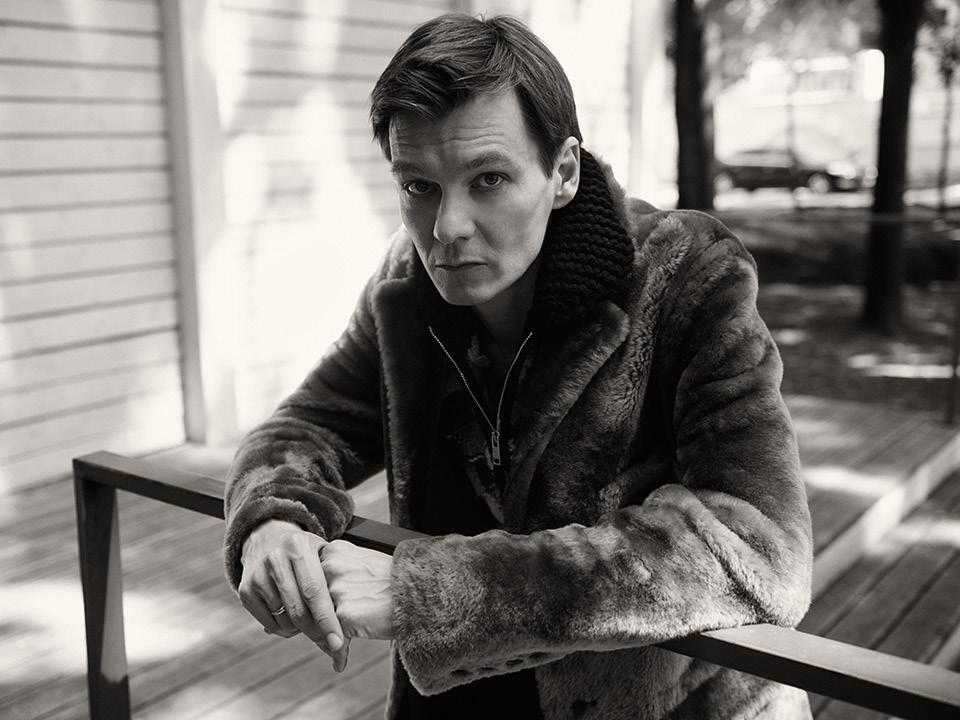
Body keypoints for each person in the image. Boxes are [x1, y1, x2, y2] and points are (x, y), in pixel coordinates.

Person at [223, 13, 813, 720]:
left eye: (489, 179)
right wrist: (273, 518)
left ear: (562, 172)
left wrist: (431, 593)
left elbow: (760, 546)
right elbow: (307, 426)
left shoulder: (686, 275)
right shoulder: (406, 286)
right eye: (418, 186)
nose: (447, 228)